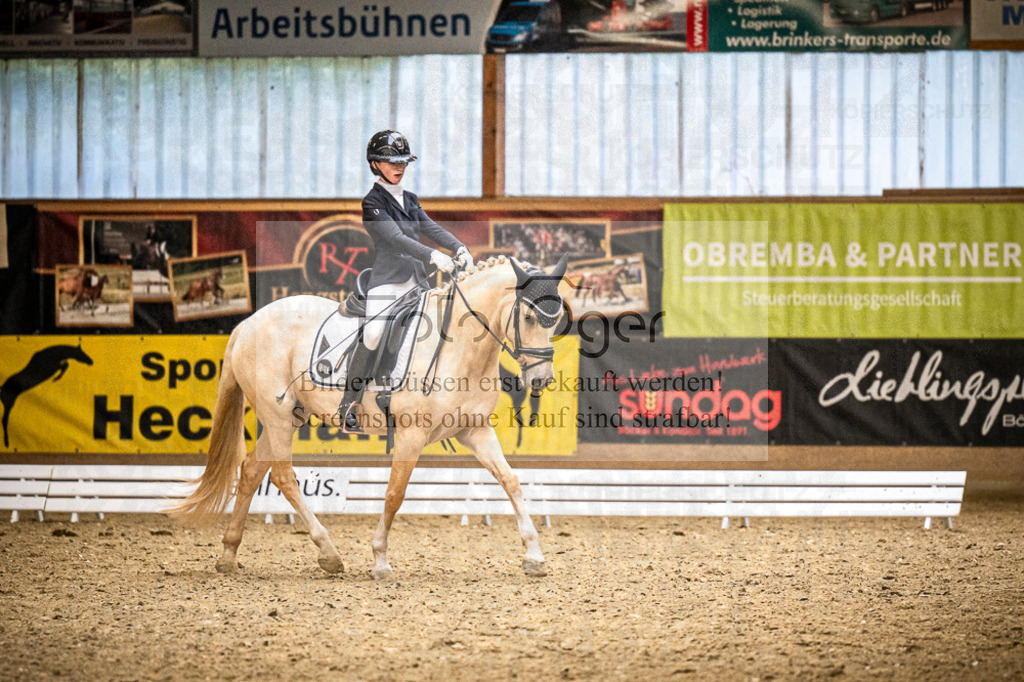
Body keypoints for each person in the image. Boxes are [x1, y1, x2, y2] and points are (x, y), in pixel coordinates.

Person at [337, 129, 473, 430]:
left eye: (403, 161)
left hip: (418, 283)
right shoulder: (372, 203)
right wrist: (432, 256)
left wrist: (458, 246)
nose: (399, 167)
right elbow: (395, 238)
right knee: (373, 333)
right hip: (388, 280)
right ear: (375, 165)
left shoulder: (410, 199)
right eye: (391, 162)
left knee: (437, 329)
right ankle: (349, 401)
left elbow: (431, 227)